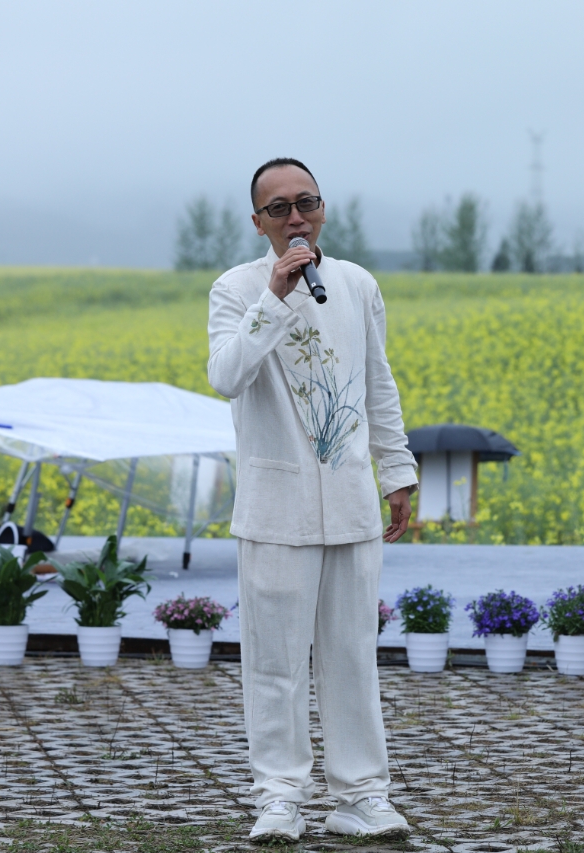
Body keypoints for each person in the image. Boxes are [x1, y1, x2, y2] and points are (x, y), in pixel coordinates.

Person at [207, 157, 418, 844]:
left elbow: (378, 382)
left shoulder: (355, 283)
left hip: (351, 499)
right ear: (258, 221)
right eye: (279, 208)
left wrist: (397, 468)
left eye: (307, 203)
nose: (295, 218)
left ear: (323, 208)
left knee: (352, 654)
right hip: (276, 506)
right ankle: (279, 796)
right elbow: (226, 376)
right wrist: (274, 296)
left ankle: (361, 794)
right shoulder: (235, 288)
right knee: (274, 662)